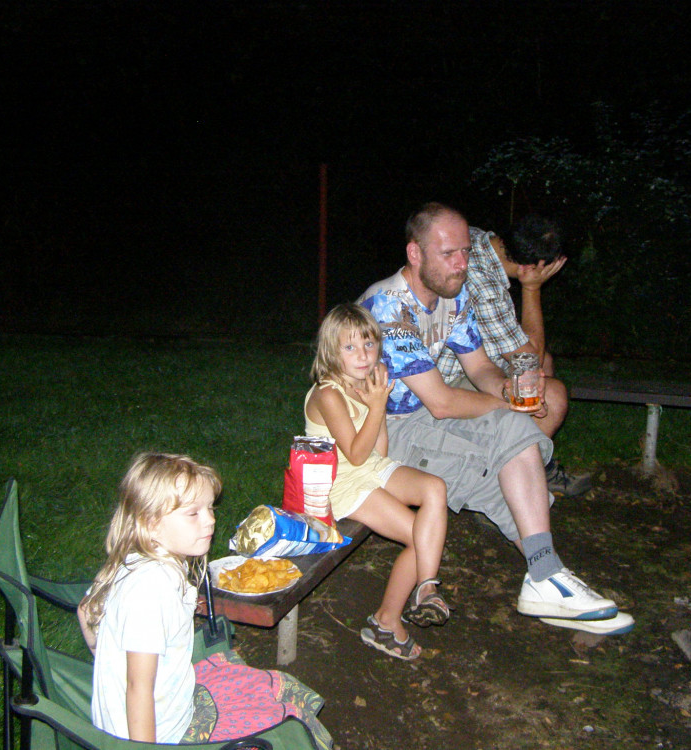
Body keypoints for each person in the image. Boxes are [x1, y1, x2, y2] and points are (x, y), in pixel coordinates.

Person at [358, 202, 633, 635]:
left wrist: (511, 392)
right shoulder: (389, 308)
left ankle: (548, 579)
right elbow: (442, 403)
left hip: (422, 416)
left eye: (466, 252)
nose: (462, 264)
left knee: (514, 430)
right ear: (415, 253)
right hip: (379, 432)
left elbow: (480, 368)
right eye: (449, 254)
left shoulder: (453, 296)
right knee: (492, 461)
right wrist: (507, 405)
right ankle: (548, 578)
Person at [78, 452, 332, 746]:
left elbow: (85, 610)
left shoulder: (137, 557)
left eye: (210, 507)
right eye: (193, 513)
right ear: (151, 523)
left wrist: (109, 663)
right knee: (283, 727)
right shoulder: (151, 588)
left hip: (164, 706)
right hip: (159, 733)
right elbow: (138, 687)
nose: (210, 520)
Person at [305, 303, 450, 660]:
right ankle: (386, 622)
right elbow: (355, 455)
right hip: (340, 483)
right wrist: (377, 406)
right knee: (420, 536)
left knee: (435, 488)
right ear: (331, 351)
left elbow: (378, 452)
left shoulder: (365, 384)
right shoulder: (328, 394)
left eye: (369, 344)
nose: (363, 355)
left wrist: (376, 402)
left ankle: (426, 587)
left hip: (369, 468)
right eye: (350, 347)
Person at [434, 215, 592, 497]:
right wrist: (532, 288)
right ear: (531, 267)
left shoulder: (474, 239)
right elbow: (528, 361)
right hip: (441, 382)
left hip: (466, 360)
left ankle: (531, 462)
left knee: (546, 364)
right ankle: (501, 486)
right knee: (553, 395)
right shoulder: (484, 286)